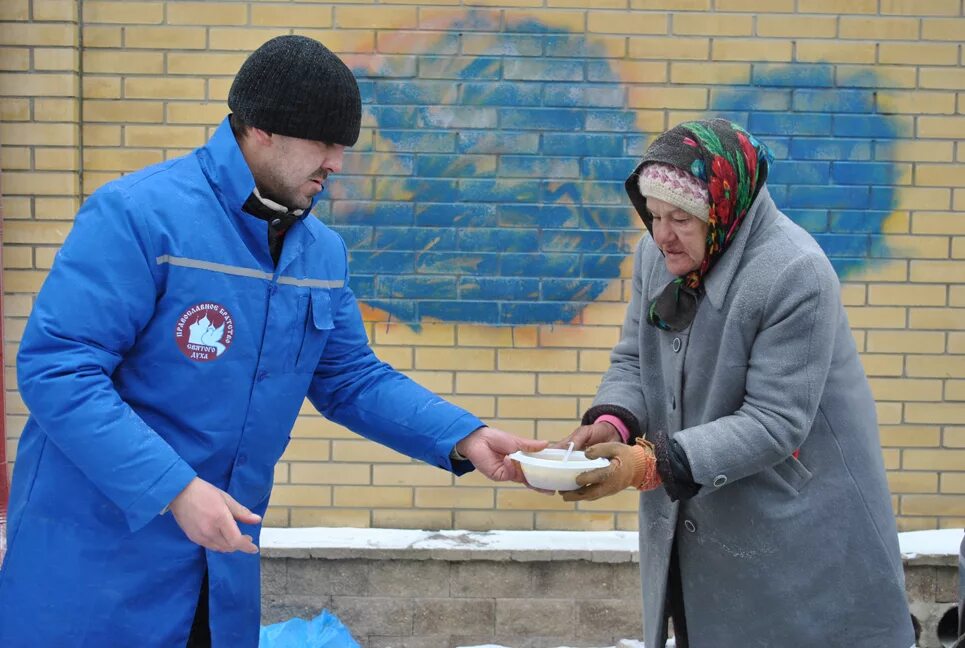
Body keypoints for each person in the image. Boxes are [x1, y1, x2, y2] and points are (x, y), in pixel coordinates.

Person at [0, 35, 545, 647]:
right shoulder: (137, 216)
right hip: (96, 565)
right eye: (324, 143)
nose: (337, 163)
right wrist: (173, 489)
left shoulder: (320, 252)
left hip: (220, 561)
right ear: (260, 129)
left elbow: (350, 377)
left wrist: (464, 436)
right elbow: (59, 370)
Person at [555, 118, 916, 647]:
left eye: (681, 218)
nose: (662, 236)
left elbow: (775, 421)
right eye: (653, 216)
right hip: (701, 523)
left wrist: (654, 463)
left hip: (797, 532)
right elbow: (635, 357)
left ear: (724, 209)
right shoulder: (657, 258)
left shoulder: (795, 272)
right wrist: (614, 419)